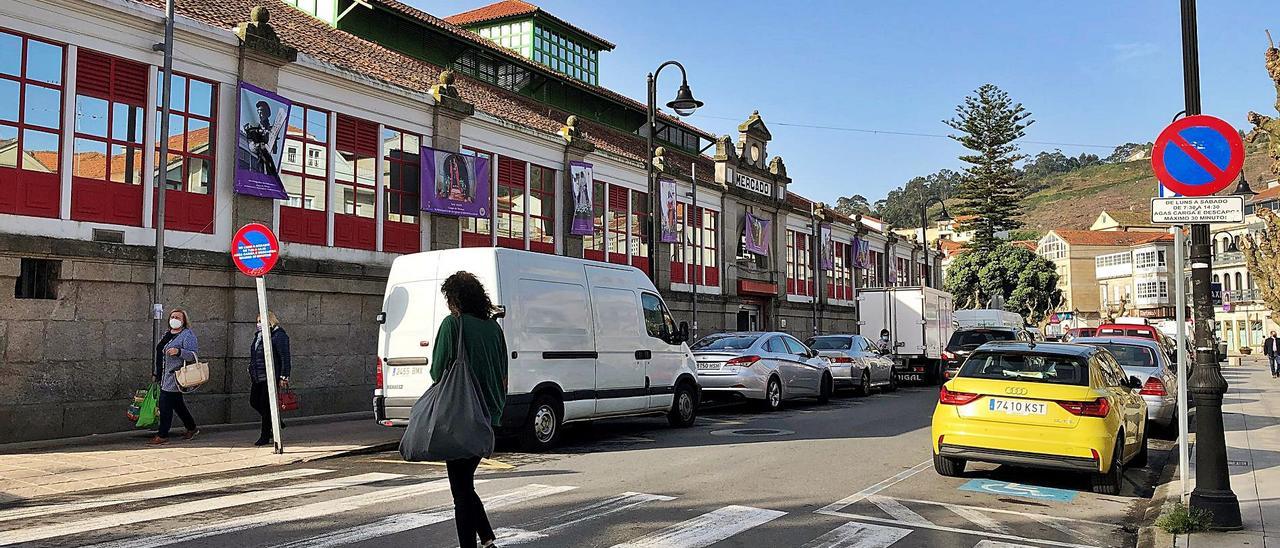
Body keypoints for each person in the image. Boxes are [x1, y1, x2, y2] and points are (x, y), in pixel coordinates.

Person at [429, 272, 508, 548]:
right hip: (490, 415)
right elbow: (503, 374)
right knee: (465, 484)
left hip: (462, 416)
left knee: (460, 491)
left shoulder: (453, 325)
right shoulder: (494, 329)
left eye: (450, 298)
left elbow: (436, 371)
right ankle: (487, 540)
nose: (449, 305)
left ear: (456, 300)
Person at [150, 308, 200, 445]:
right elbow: (160, 354)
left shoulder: (187, 335)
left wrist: (179, 352)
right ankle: (192, 427)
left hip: (175, 375)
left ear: (184, 321)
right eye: (173, 317)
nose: (174, 319)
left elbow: (192, 355)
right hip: (164, 374)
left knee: (165, 404)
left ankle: (163, 434)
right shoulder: (167, 334)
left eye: (178, 317)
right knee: (178, 405)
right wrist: (156, 373)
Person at [249, 311, 291, 446]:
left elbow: (285, 357)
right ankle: (276, 422)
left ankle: (265, 435)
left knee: (266, 405)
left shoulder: (279, 335)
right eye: (258, 321)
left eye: (261, 321)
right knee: (254, 401)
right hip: (258, 375)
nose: (258, 324)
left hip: (271, 376)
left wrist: (284, 376)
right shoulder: (259, 336)